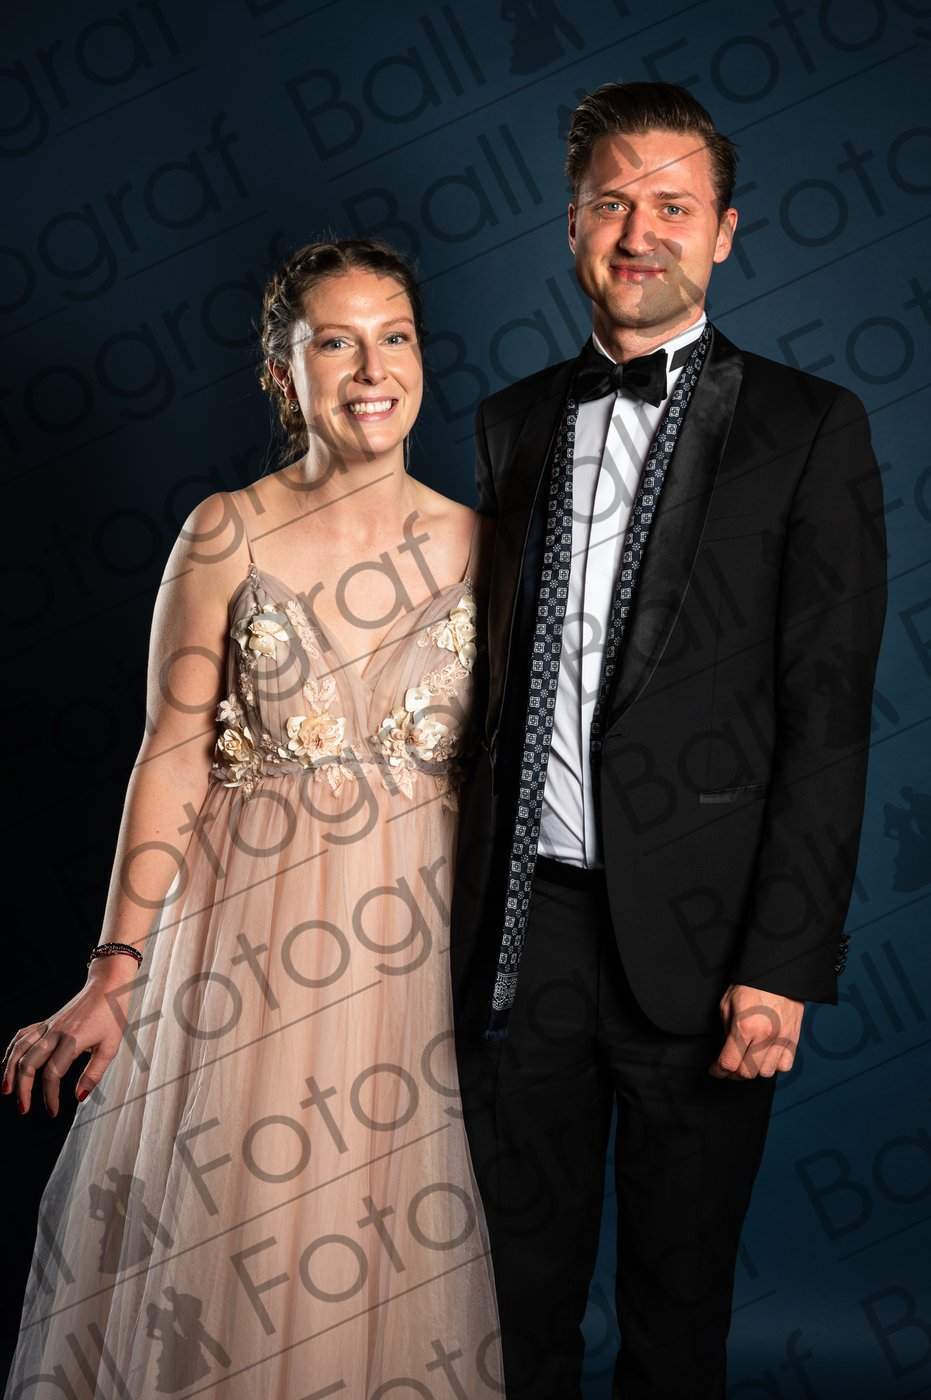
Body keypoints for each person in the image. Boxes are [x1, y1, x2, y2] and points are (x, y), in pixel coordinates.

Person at [2, 239, 503, 1397]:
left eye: (394, 337)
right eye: (336, 342)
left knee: (381, 1238)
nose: (372, 369)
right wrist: (113, 969)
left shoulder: (481, 540)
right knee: (240, 1231)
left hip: (407, 951)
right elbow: (171, 751)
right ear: (285, 372)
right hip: (246, 946)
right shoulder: (225, 530)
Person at [450, 81, 888, 1399]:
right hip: (519, 940)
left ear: (724, 233)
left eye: (672, 206)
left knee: (675, 1318)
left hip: (706, 949)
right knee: (508, 1309)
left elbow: (826, 718)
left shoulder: (808, 427)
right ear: (570, 223)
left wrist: (781, 964)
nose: (637, 232)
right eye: (609, 202)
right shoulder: (509, 421)